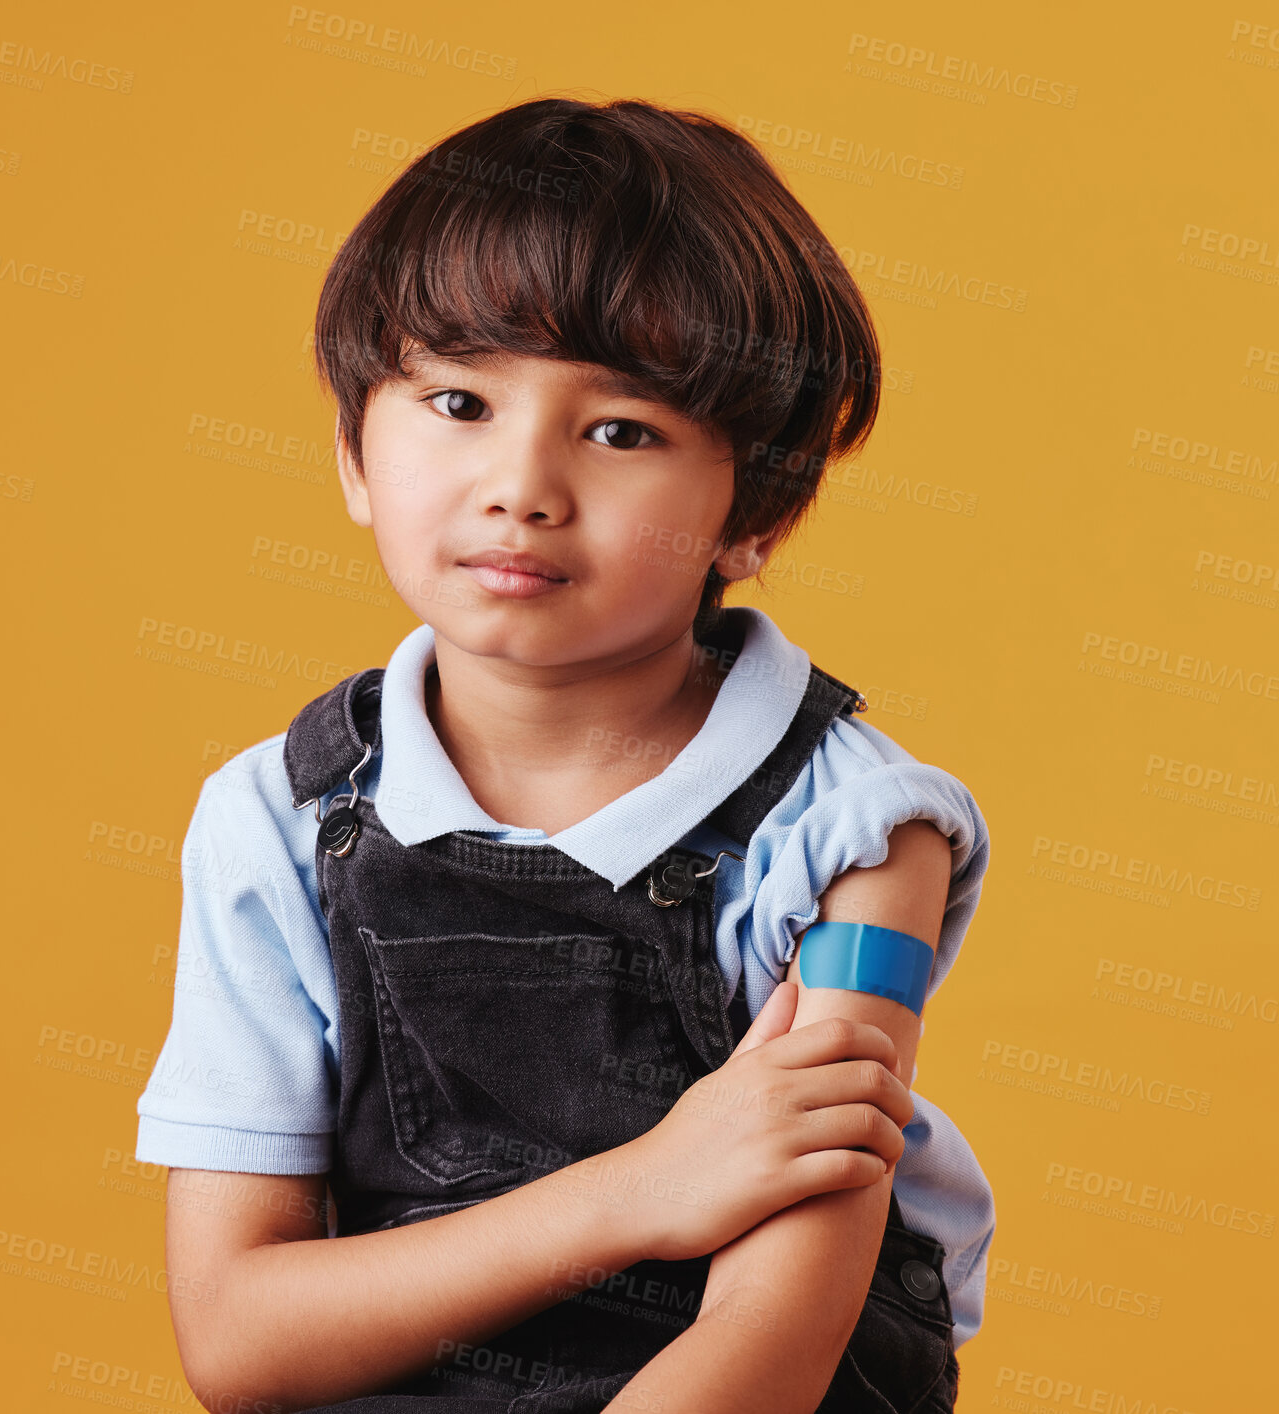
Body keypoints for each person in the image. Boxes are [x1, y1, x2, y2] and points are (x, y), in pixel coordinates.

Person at [136, 96, 994, 1414]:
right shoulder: (281, 815)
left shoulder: (859, 835)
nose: (520, 483)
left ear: (753, 509)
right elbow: (242, 1340)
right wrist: (643, 1187)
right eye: (458, 400)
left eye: (619, 431)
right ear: (355, 452)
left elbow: (778, 1342)